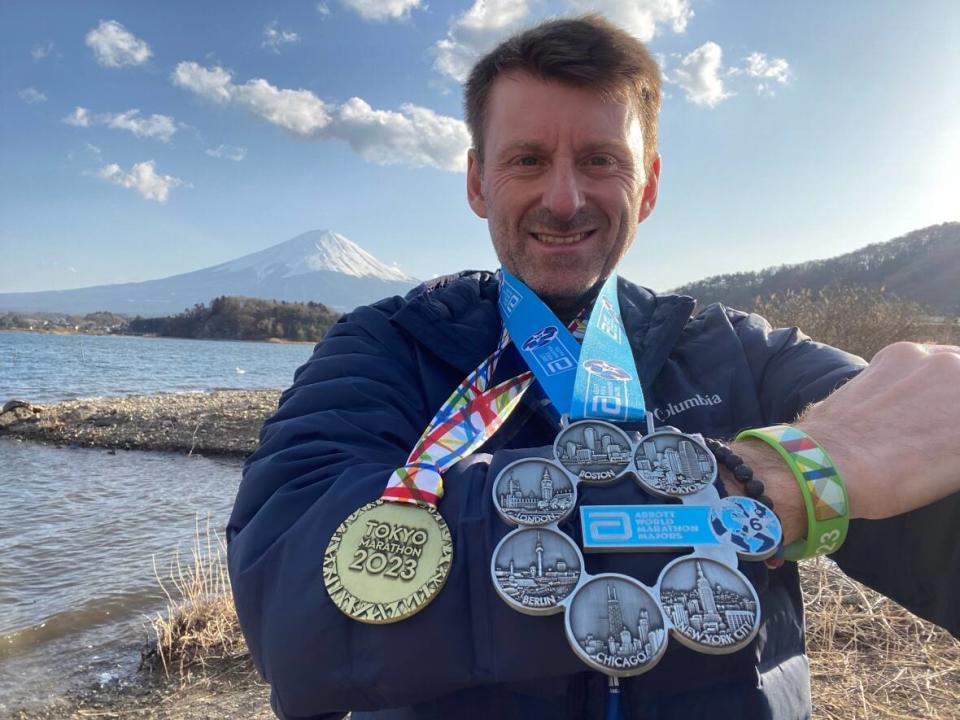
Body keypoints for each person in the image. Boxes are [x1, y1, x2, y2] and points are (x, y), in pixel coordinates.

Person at [227, 16, 960, 720]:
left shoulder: (742, 351)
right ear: (478, 182)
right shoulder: (390, 344)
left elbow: (927, 472)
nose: (565, 198)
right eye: (528, 159)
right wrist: (777, 483)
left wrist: (863, 454)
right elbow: (291, 600)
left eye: (601, 160)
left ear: (647, 186)